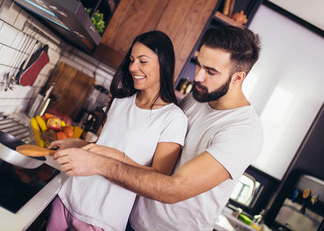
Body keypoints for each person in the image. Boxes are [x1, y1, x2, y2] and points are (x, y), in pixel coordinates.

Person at [54, 25, 263, 230]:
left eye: (210, 71)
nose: (197, 76)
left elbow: (174, 189)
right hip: (132, 218)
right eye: (199, 65)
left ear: (238, 78)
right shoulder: (197, 98)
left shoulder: (243, 132)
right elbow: (150, 141)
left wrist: (99, 163)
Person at [46, 31, 188, 231]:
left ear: (163, 64)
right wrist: (78, 144)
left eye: (142, 61)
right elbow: (102, 147)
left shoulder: (173, 118)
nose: (133, 67)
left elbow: (159, 178)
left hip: (102, 219)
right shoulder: (119, 102)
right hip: (68, 196)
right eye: (131, 60)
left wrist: (117, 156)